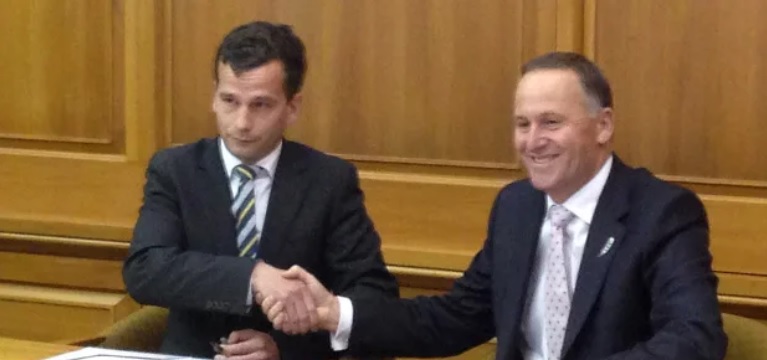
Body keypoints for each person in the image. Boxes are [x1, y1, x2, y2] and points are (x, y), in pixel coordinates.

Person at [264, 52, 728, 360]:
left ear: (603, 125)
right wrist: (335, 313)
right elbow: (455, 318)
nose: (532, 141)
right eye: (522, 124)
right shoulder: (517, 207)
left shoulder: (662, 212)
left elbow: (694, 337)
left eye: (551, 122)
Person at [122, 21, 398, 360]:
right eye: (229, 100)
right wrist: (252, 277)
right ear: (214, 96)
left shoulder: (329, 181)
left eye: (260, 105)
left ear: (292, 107)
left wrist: (284, 349)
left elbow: (374, 297)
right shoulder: (175, 169)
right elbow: (146, 269)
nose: (240, 122)